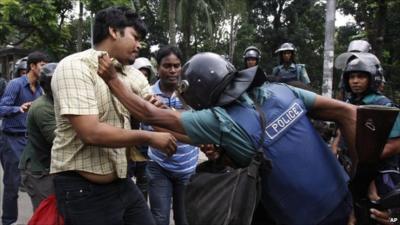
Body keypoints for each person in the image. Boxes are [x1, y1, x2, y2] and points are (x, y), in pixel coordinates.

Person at [98, 52, 359, 225]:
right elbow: (348, 112)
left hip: (302, 218)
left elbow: (147, 114)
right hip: (346, 199)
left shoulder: (221, 119)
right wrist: (362, 176)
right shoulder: (280, 90)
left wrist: (112, 79)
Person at [50, 6, 177, 225]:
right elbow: (91, 132)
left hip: (121, 180)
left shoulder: (133, 74)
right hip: (81, 188)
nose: (139, 46)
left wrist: (157, 111)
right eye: (135, 37)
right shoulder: (74, 67)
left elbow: (156, 112)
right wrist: (147, 137)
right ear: (113, 31)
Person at [339, 54, 400, 224]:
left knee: (386, 214)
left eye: (361, 76)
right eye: (352, 77)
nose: (355, 81)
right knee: (357, 210)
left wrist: (365, 158)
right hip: (353, 169)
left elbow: (396, 144)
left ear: (372, 79)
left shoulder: (383, 105)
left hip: (381, 172)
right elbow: (340, 133)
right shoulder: (348, 103)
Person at [146, 45, 199, 225]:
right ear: (158, 68)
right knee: (159, 218)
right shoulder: (149, 93)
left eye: (177, 65)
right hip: (159, 166)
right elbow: (148, 124)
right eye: (167, 66)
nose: (173, 70)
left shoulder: (191, 92)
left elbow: (198, 123)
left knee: (184, 219)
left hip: (187, 168)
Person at [0, 51, 47, 225]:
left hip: (31, 140)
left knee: (37, 181)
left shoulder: (41, 89)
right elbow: (1, 108)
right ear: (32, 66)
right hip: (11, 139)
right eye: (42, 65)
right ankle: (9, 221)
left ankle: (40, 220)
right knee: (13, 184)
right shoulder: (16, 84)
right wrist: (18, 109)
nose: (44, 68)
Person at [18, 63, 58, 211]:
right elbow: (57, 140)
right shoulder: (43, 107)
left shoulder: (56, 102)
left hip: (50, 166)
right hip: (39, 170)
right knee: (46, 215)